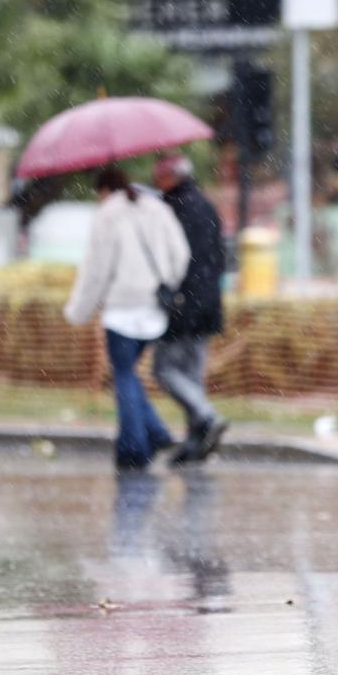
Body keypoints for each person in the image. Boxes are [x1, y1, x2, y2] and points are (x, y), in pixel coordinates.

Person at [64, 167, 190, 470]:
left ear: (105, 190)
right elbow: (181, 255)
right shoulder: (158, 209)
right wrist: (167, 285)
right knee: (128, 374)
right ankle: (155, 433)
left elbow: (96, 271)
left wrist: (77, 311)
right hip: (153, 311)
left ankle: (135, 449)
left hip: (121, 310)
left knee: (123, 375)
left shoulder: (107, 216)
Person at [151, 153, 229, 464]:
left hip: (184, 303)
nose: (157, 181)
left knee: (165, 369)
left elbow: (173, 258)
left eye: (160, 175)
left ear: (171, 177)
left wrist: (173, 294)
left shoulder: (173, 210)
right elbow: (219, 255)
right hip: (209, 302)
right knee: (192, 374)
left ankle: (206, 417)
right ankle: (197, 440)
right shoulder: (206, 205)